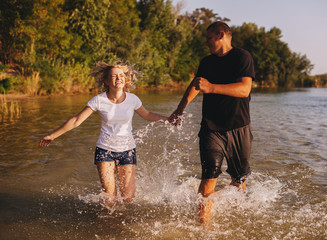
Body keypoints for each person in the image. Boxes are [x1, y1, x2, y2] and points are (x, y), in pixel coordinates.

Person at [40, 61, 168, 207]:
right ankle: (110, 223)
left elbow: (148, 115)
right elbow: (76, 120)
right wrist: (53, 136)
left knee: (128, 197)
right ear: (107, 81)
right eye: (114, 76)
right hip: (105, 150)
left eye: (121, 75)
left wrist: (169, 120)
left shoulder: (133, 99)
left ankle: (121, 223)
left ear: (125, 79)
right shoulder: (99, 100)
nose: (118, 78)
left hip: (127, 150)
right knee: (109, 198)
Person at [169, 21, 255, 223]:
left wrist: (212, 87)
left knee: (238, 179)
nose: (206, 42)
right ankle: (203, 228)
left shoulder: (242, 57)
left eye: (209, 38)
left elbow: (244, 89)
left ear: (221, 34)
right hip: (211, 128)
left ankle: (235, 219)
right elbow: (197, 84)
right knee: (209, 177)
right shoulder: (206, 62)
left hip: (239, 128)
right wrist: (180, 109)